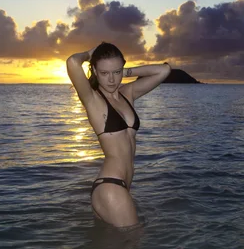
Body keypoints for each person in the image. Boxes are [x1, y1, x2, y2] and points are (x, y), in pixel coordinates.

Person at [67, 42, 170, 228]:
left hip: (121, 186)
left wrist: (126, 71)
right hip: (111, 187)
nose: (112, 80)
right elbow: (73, 62)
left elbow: (164, 71)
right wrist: (90, 54)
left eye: (116, 72)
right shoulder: (93, 99)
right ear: (95, 72)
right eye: (105, 73)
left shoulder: (127, 93)